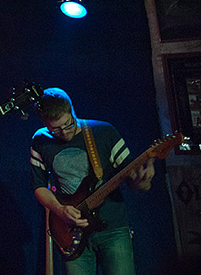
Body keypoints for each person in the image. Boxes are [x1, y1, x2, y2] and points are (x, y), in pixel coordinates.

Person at [30, 88, 154, 275]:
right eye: (55, 129)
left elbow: (133, 180)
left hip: (112, 228)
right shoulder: (39, 140)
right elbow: (39, 186)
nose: (63, 132)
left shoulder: (104, 132)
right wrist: (60, 210)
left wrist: (142, 182)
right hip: (70, 232)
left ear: (72, 111)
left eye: (68, 124)